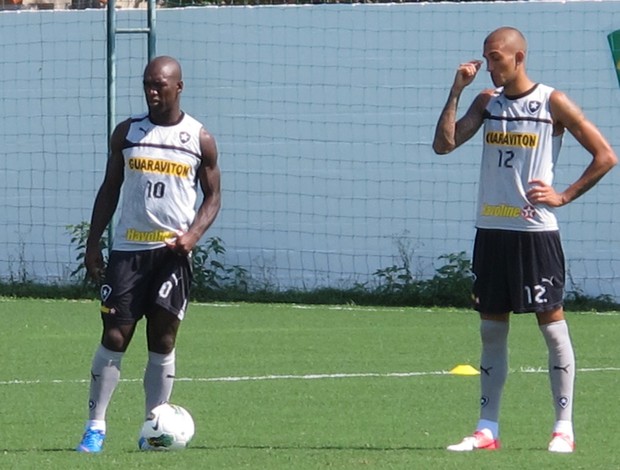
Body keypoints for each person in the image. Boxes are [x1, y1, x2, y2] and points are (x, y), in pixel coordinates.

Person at [432, 27, 617, 454]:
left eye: (495, 58)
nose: (488, 65)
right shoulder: (486, 103)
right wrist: (456, 91)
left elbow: (605, 155)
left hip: (535, 233)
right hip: (492, 232)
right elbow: (444, 145)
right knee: (491, 332)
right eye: (485, 57)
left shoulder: (552, 102)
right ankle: (487, 429)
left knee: (552, 329)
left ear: (518, 58)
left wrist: (564, 195)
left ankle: (563, 428)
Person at [76, 55, 221, 453]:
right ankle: (95, 427)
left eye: (160, 85)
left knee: (163, 337)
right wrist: (93, 244)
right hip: (128, 251)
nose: (152, 92)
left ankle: (155, 426)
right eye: (147, 85)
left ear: (179, 87)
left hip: (171, 255)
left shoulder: (199, 138)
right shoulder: (128, 132)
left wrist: (192, 236)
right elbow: (110, 188)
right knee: (115, 334)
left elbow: (213, 197)